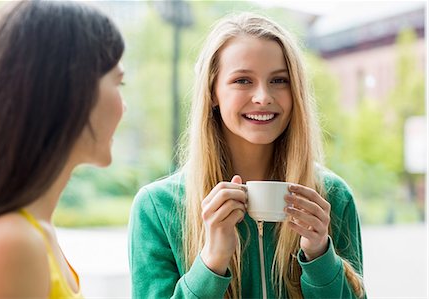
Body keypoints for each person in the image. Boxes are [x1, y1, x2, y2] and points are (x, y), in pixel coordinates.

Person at [128, 12, 365, 299]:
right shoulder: (156, 208)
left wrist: (319, 256)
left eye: (279, 81)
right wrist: (212, 262)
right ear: (213, 92)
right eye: (242, 80)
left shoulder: (332, 198)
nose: (263, 96)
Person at [0, 1, 125, 298]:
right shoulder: (13, 242)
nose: (124, 106)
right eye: (119, 83)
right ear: (73, 92)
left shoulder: (36, 230)